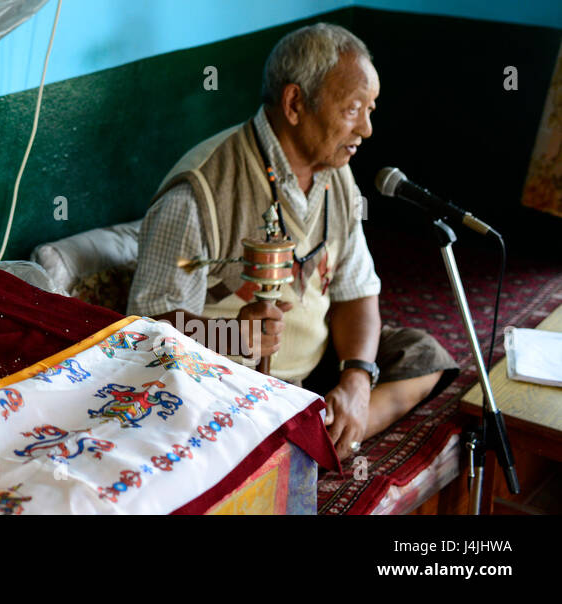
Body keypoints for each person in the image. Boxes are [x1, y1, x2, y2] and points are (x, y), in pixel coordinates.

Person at [130, 23, 458, 461]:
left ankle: (323, 437)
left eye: (371, 109)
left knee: (422, 355)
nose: (366, 128)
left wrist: (357, 380)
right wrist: (233, 336)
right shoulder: (201, 190)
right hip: (233, 379)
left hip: (315, 367)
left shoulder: (336, 173)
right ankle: (302, 442)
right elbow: (146, 334)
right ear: (295, 103)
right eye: (352, 109)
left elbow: (357, 292)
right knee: (200, 420)